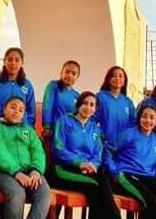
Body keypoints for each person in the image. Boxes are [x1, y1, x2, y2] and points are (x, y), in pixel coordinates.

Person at [106, 105, 156, 219]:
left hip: (149, 179)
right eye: (144, 116)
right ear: (139, 119)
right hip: (127, 176)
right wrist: (114, 173)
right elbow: (108, 151)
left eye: (152, 117)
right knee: (151, 204)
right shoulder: (128, 134)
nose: (148, 120)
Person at [51, 91, 121, 219]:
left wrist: (92, 165)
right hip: (64, 169)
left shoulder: (95, 129)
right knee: (98, 185)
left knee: (98, 187)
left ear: (95, 109)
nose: (88, 107)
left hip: (89, 170)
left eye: (92, 105)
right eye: (85, 103)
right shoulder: (64, 121)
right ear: (78, 104)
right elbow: (58, 149)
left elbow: (97, 153)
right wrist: (80, 163)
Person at [0, 97, 51, 219]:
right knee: (17, 193)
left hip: (30, 171)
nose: (16, 111)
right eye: (13, 107)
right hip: (3, 172)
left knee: (44, 193)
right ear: (4, 110)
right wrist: (16, 172)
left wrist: (36, 170)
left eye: (21, 110)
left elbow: (38, 151)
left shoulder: (29, 131)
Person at [95, 66, 136, 146]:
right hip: (105, 144)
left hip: (123, 146)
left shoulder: (128, 101)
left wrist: (127, 138)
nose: (117, 78)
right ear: (108, 79)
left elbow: (133, 124)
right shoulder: (101, 97)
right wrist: (100, 135)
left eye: (121, 76)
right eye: (114, 75)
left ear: (124, 81)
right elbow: (92, 119)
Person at [41, 60, 81, 136]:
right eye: (67, 72)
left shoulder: (77, 95)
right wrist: (47, 126)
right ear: (61, 73)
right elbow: (47, 106)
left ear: (77, 77)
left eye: (73, 73)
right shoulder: (53, 86)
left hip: (70, 134)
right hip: (54, 131)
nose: (70, 75)